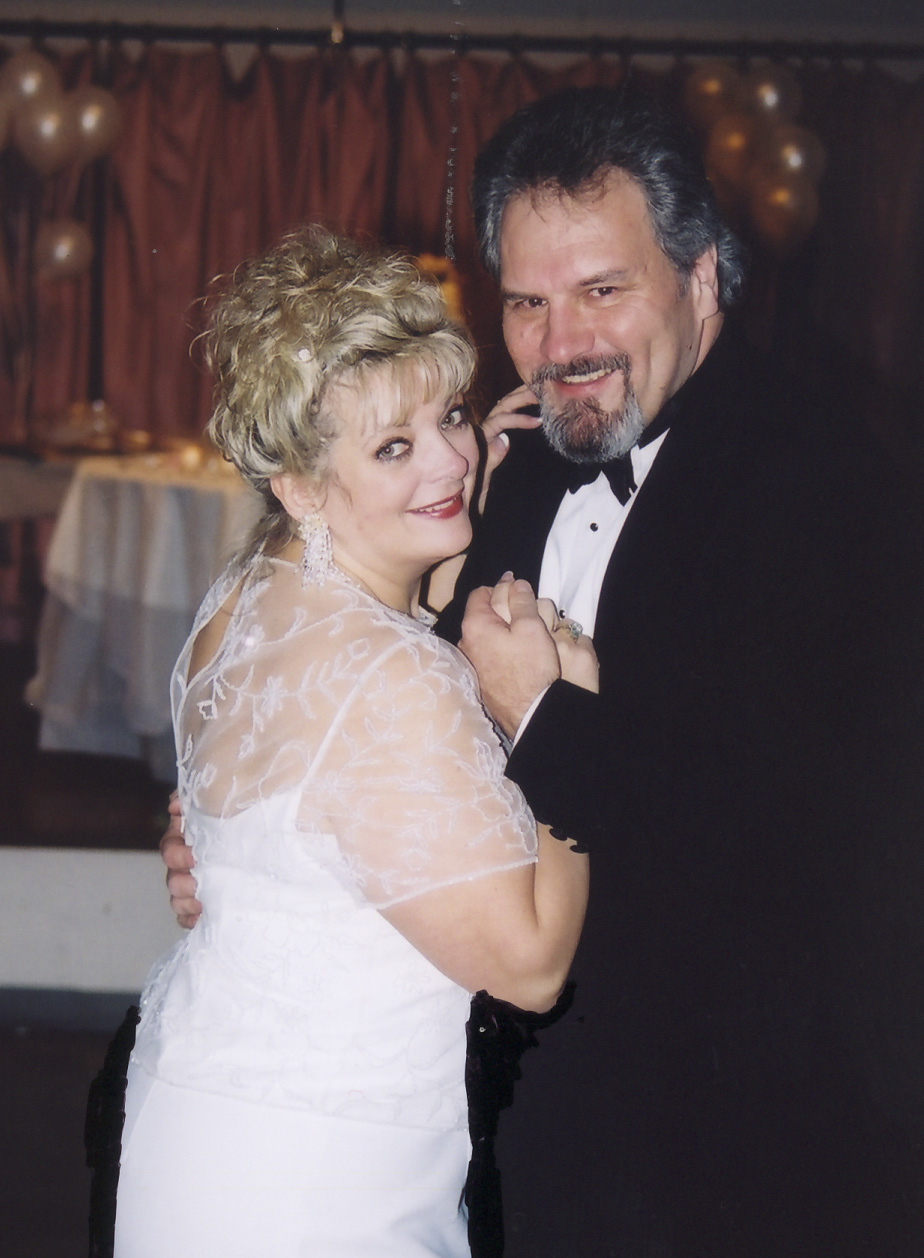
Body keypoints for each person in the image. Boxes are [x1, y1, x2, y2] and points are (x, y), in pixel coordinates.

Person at [164, 88, 924, 1256]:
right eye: (527, 301)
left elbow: (795, 858)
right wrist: (268, 838)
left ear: (702, 277)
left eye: (602, 291)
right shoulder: (505, 461)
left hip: (709, 1151)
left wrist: (548, 718)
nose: (561, 343)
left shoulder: (834, 496)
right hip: (494, 1138)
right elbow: (378, 728)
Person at [111, 226, 589, 1258]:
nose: (454, 457)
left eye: (450, 414)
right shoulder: (391, 675)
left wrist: (425, 520)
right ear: (297, 483)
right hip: (326, 1187)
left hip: (194, 1130)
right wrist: (560, 712)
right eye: (392, 447)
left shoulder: (237, 604)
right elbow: (531, 966)